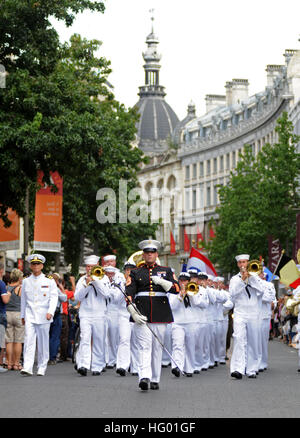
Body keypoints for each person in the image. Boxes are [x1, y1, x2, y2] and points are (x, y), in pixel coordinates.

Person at [125, 239, 179, 391]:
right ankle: (144, 376)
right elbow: (129, 292)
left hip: (160, 312)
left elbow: (176, 289)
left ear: (156, 254)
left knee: (157, 347)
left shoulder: (166, 271)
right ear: (143, 255)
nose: (149, 255)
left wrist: (164, 283)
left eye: (152, 253)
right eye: (147, 253)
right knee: (144, 346)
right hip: (141, 311)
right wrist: (132, 309)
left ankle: (155, 378)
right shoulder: (136, 272)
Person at [74, 255, 113, 376]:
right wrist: (87, 285)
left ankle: (97, 365)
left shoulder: (104, 278)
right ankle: (84, 365)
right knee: (85, 339)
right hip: (85, 314)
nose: (89, 269)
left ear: (97, 267)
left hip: (100, 314)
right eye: (87, 266)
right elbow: (77, 297)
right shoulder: (82, 280)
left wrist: (96, 282)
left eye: (92, 266)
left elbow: (107, 294)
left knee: (99, 340)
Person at [20, 254, 58, 376]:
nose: (35, 266)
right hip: (30, 314)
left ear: (42, 265)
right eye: (33, 264)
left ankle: (42, 366)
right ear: (31, 266)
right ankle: (28, 367)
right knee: (28, 340)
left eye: (38, 264)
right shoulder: (26, 281)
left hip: (44, 315)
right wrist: (22, 315)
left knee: (43, 342)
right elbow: (23, 300)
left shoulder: (49, 280)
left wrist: (50, 312)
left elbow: (54, 297)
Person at [229, 254, 266, 379]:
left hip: (254, 312)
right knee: (239, 339)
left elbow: (262, 291)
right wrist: (242, 281)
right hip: (240, 312)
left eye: (244, 262)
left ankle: (251, 369)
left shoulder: (256, 277)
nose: (242, 265)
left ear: (248, 263)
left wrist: (251, 279)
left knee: (253, 341)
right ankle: (238, 369)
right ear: (238, 264)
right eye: (240, 263)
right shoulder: (234, 279)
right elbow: (232, 294)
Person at [102, 254, 125, 369]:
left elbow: (117, 296)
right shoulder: (101, 276)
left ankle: (114, 358)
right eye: (108, 262)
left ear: (115, 263)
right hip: (103, 309)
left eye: (112, 261)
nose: (110, 264)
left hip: (115, 309)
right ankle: (105, 360)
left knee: (114, 335)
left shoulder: (120, 276)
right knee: (103, 336)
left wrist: (108, 290)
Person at [5, 269, 24, 371]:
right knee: (18, 341)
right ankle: (16, 363)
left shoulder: (6, 287)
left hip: (7, 314)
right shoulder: (20, 288)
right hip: (18, 314)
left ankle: (8, 363)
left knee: (9, 341)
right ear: (20, 278)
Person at [48, 272, 68, 365]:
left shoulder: (44, 288)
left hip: (45, 314)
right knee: (55, 337)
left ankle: (45, 356)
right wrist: (62, 288)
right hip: (56, 314)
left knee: (46, 336)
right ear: (56, 281)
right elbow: (64, 298)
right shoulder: (56, 289)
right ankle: (52, 357)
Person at [0, 262, 11, 373]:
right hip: (0, 313)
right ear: (1, 271)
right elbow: (5, 300)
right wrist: (8, 293)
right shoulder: (1, 284)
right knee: (0, 340)